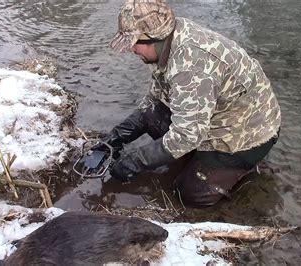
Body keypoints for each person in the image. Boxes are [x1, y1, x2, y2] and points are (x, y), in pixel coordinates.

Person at [98, 0, 281, 207]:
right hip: (212, 112)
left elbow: (187, 135)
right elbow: (155, 98)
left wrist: (137, 160)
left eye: (134, 43)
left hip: (246, 132)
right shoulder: (168, 40)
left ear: (154, 38)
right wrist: (115, 137)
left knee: (190, 195)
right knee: (152, 116)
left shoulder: (190, 67)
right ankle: (199, 159)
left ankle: (240, 168)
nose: (131, 49)